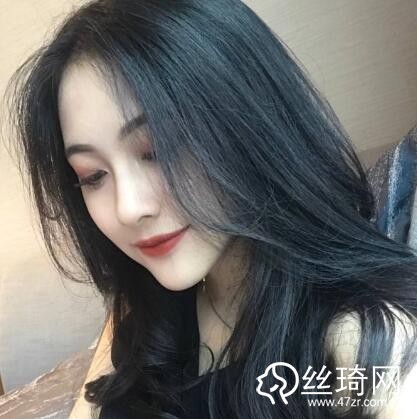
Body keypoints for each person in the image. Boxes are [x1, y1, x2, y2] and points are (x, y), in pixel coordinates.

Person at [3, 0, 417, 418]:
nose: (128, 209)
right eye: (92, 176)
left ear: (249, 124)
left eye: (159, 150)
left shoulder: (357, 344)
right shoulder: (149, 306)